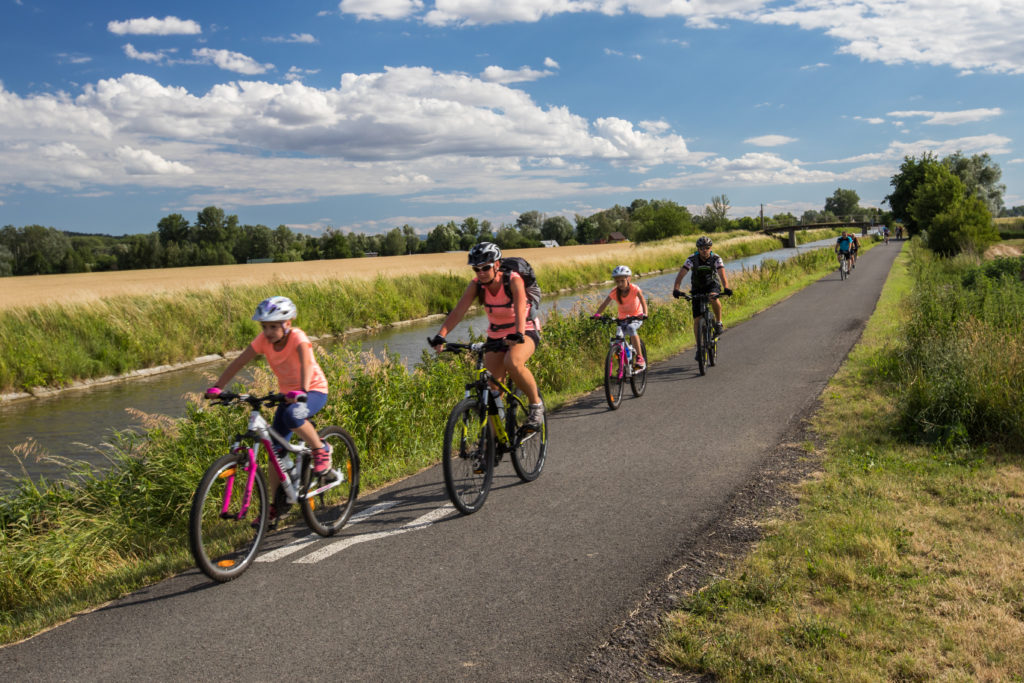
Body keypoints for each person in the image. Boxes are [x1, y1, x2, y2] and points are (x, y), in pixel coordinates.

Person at [205, 296, 332, 526]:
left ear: (287, 323)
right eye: (264, 326)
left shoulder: (298, 338)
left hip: (312, 391)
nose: (268, 331)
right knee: (275, 452)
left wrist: (302, 391)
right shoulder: (263, 341)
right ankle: (276, 505)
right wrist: (219, 386)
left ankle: (320, 448)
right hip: (286, 396)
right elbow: (238, 362)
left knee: (295, 416)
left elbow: (305, 363)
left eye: (273, 326)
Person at [429, 242, 544, 430]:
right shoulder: (476, 285)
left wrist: (518, 334)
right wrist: (441, 335)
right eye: (476, 269)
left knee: (513, 362)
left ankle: (535, 406)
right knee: (492, 390)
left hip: (524, 330)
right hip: (496, 335)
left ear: (497, 264)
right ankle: (493, 444)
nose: (481, 272)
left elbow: (521, 306)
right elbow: (458, 311)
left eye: (485, 267)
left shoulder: (513, 280)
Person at [672, 236, 733, 361]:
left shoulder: (716, 258)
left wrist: (726, 287)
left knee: (713, 298)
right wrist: (676, 289)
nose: (704, 250)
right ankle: (699, 348)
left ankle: (718, 322)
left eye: (707, 248)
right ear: (697, 249)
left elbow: (722, 274)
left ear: (711, 248)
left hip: (712, 284)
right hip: (697, 287)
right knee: (697, 319)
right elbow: (681, 274)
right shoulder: (691, 259)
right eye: (701, 248)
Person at [592, 265, 649, 370]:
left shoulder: (634, 289)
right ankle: (622, 365)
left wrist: (645, 313)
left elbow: (642, 300)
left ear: (628, 279)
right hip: (622, 319)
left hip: (636, 317)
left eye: (622, 281)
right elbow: (605, 303)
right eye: (617, 281)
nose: (620, 284)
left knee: (631, 328)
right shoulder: (615, 291)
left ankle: (640, 358)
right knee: (618, 340)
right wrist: (597, 314)